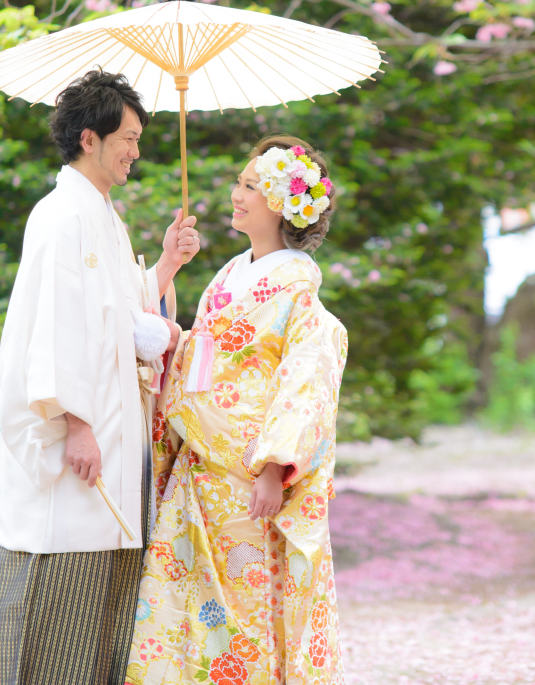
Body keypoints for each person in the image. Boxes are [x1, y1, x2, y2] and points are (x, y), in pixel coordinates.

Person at [0, 69, 201, 685]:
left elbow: (124, 318)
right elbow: (53, 327)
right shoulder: (59, 215)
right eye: (128, 137)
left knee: (106, 601)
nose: (136, 150)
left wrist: (170, 263)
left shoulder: (104, 216)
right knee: (59, 592)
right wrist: (75, 423)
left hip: (114, 433)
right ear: (90, 138)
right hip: (82, 432)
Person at [125, 135, 347, 685]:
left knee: (244, 609)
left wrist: (275, 468)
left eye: (250, 186)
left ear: (279, 202)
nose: (236, 194)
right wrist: (172, 324)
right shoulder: (231, 273)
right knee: (185, 606)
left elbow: (305, 378)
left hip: (247, 471)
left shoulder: (297, 284)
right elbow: (205, 352)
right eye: (241, 183)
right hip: (202, 465)